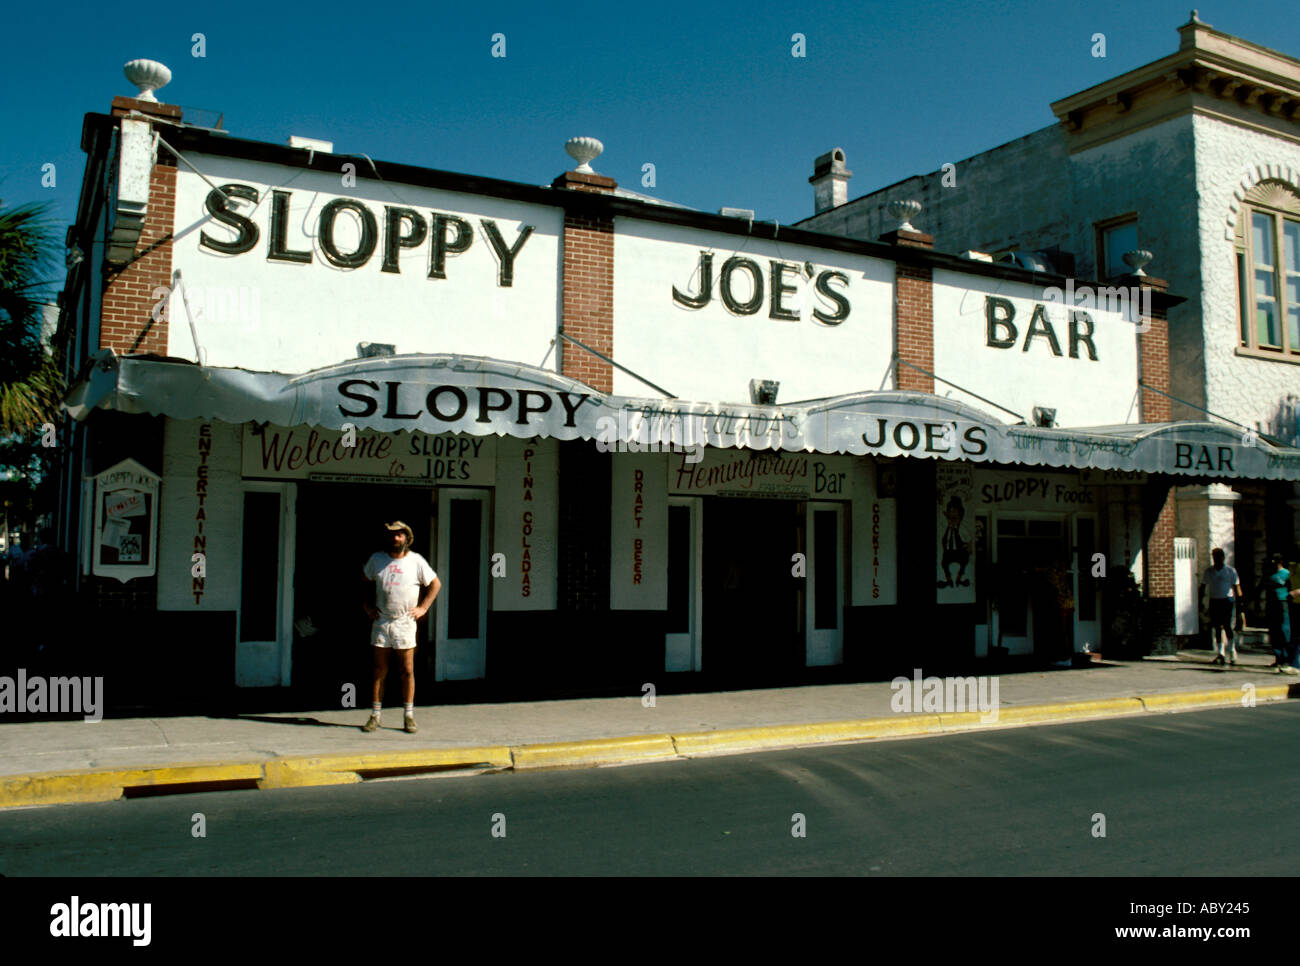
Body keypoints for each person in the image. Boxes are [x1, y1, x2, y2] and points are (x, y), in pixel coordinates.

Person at [360, 521, 440, 732]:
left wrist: (423, 608)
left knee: (407, 670)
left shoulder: (416, 561)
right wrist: (367, 606)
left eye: (400, 535)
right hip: (382, 621)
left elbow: (435, 584)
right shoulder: (377, 559)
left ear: (407, 538)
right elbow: (364, 582)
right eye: (392, 535)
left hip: (405, 622)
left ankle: (409, 715)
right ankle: (375, 715)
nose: (396, 538)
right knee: (379, 670)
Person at [1201, 548, 1243, 665]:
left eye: (1219, 557)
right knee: (1217, 627)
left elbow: (1237, 588)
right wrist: (1201, 600)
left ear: (1223, 558)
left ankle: (1232, 651)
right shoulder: (1209, 571)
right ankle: (1221, 653)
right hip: (1214, 601)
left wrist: (1240, 604)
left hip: (1227, 601)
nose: (1216, 559)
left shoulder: (1230, 571)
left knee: (1228, 626)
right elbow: (1203, 586)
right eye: (1214, 557)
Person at [1264, 555, 1297, 674]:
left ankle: (1287, 658)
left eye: (1275, 562)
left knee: (1284, 630)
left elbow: (1291, 587)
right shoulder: (1269, 574)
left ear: (1280, 562)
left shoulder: (1287, 573)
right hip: (1271, 603)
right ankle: (1278, 657)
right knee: (1274, 630)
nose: (1273, 564)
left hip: (1283, 602)